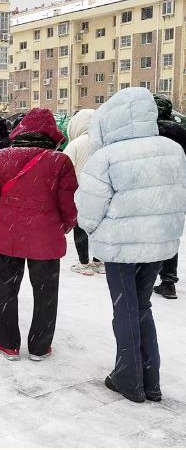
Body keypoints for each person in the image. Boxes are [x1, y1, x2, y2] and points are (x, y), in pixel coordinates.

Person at [75, 88, 186, 403]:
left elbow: (88, 211)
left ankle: (129, 379)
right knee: (141, 306)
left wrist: (95, 231)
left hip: (120, 246)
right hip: (159, 243)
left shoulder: (106, 157)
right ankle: (151, 381)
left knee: (124, 309)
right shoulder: (172, 150)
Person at [0, 107, 77, 362]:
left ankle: (7, 343)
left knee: (6, 290)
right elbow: (69, 203)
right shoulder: (60, 161)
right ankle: (40, 346)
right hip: (45, 238)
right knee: (45, 294)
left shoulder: (1, 157)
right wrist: (65, 225)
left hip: (6, 235)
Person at [63, 109, 104, 276]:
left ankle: (84, 262)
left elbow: (65, 170)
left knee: (80, 227)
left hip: (80, 193)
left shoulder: (75, 144)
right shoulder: (104, 142)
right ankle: (99, 261)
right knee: (99, 227)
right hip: (102, 193)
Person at [153, 95, 186, 300]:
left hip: (153, 191)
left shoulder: (149, 131)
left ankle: (145, 275)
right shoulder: (181, 132)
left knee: (151, 234)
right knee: (170, 234)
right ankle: (168, 280)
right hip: (177, 191)